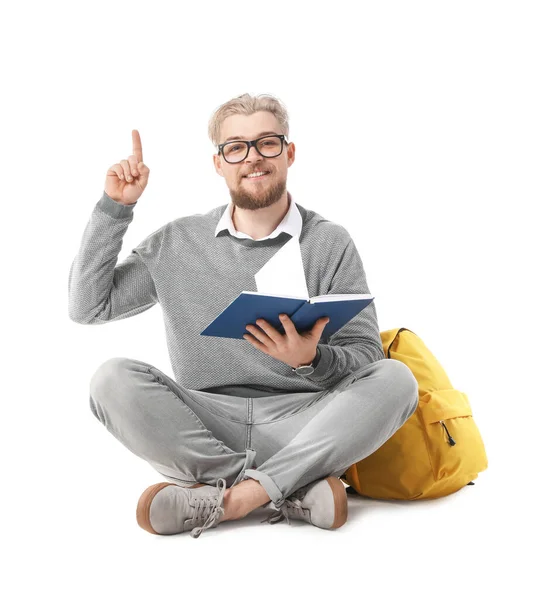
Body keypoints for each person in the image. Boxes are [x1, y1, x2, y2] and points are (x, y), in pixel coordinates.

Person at [68, 93, 418, 539]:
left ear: (288, 152)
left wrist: (313, 360)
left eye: (267, 143)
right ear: (219, 162)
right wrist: (114, 209)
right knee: (110, 379)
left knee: (397, 379)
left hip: (305, 422)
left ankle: (230, 499)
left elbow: (367, 356)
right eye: (236, 147)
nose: (253, 158)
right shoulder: (178, 241)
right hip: (205, 424)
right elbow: (87, 306)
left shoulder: (329, 243)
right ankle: (286, 488)